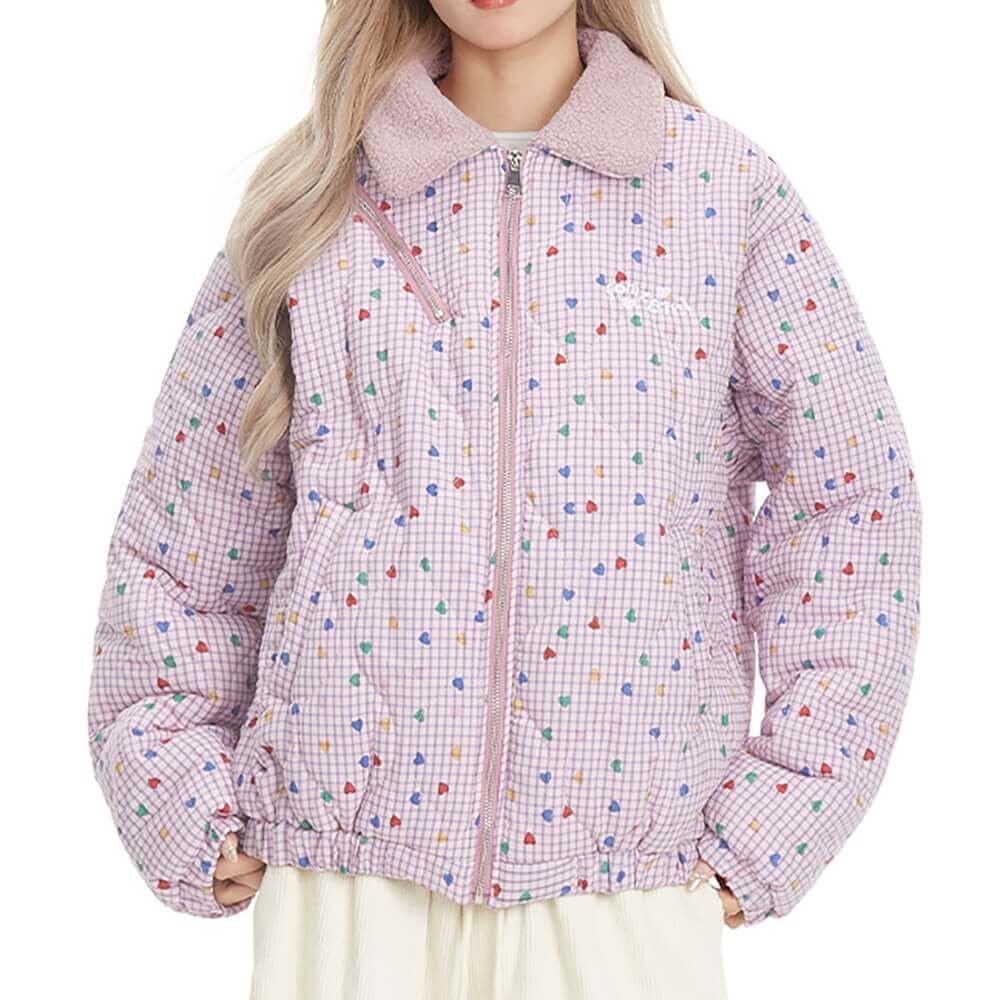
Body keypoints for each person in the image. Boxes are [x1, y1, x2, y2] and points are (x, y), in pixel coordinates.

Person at [86, 1, 922, 997]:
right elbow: (190, 520)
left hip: (626, 889)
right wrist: (175, 784)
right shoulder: (318, 196)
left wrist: (784, 811)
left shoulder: (719, 190)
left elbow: (852, 503)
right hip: (345, 882)